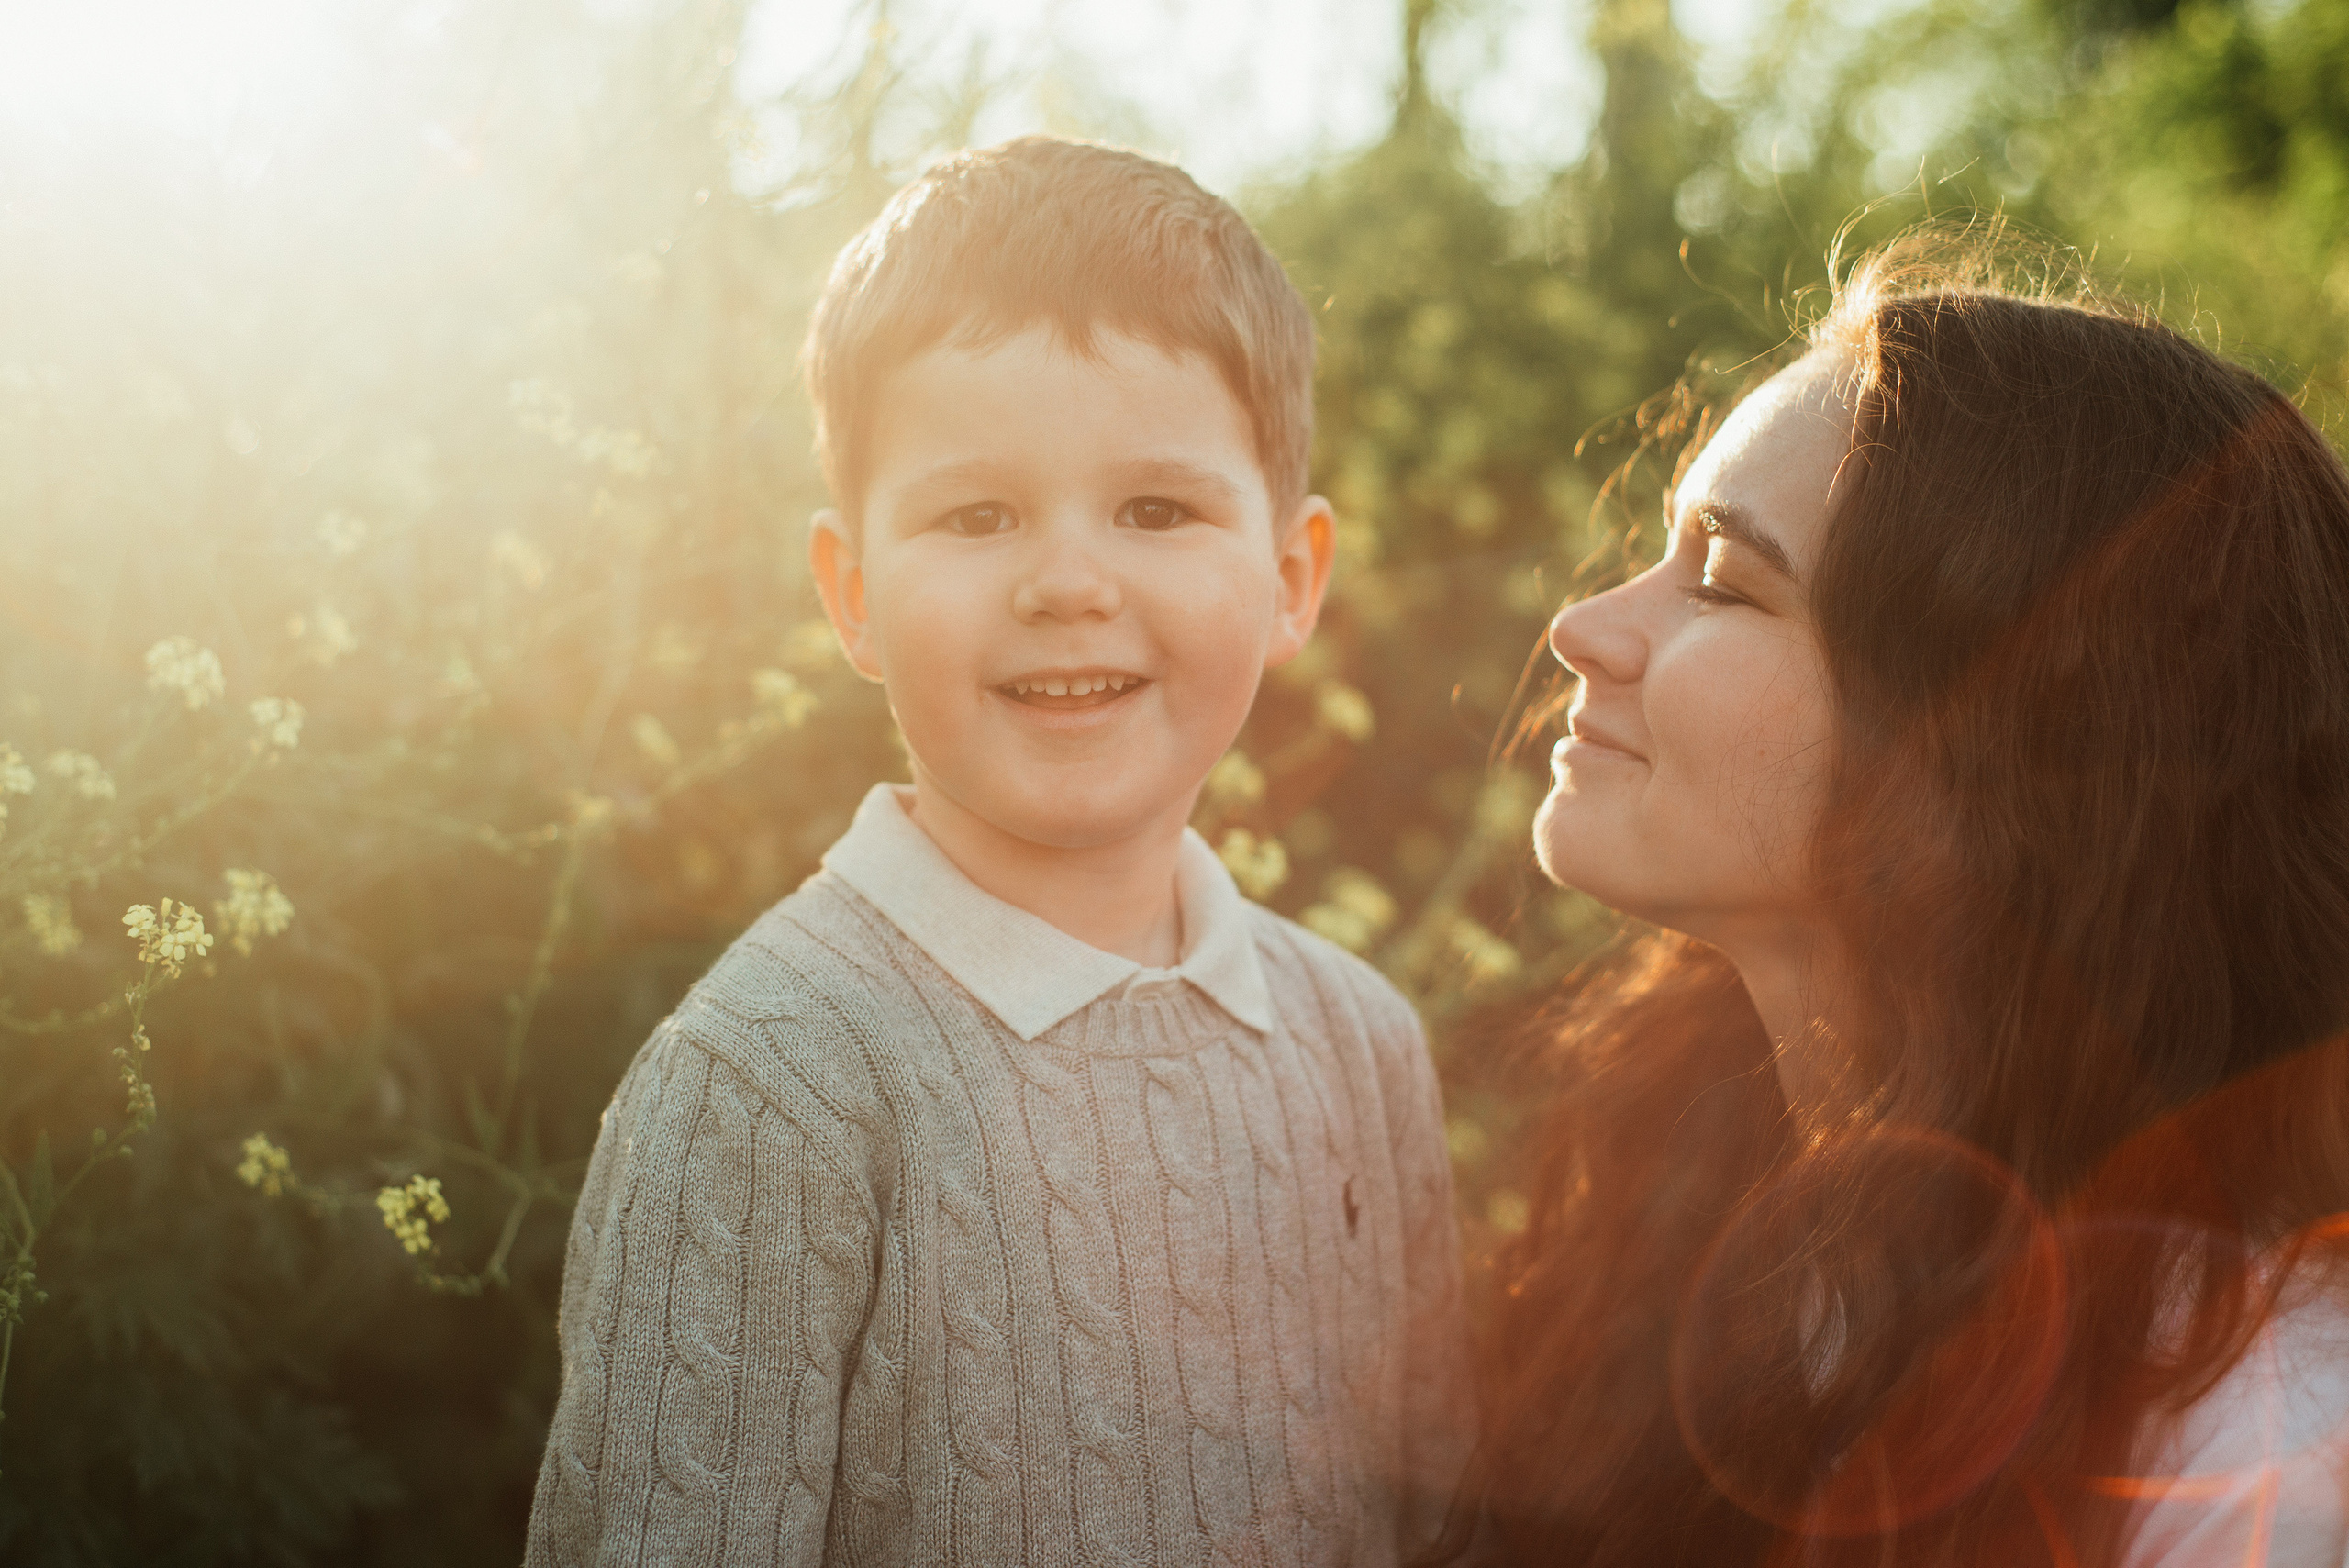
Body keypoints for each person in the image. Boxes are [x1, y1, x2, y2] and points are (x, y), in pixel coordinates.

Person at [524, 136, 1474, 1567]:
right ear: (851, 597)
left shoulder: (1361, 1045)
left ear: (1291, 580)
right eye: (978, 515)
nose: (1069, 584)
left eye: (1156, 509)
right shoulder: (771, 1082)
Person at [1448, 239, 2349, 1566]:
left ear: (1990, 739)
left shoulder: (2263, 1447)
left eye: (1723, 582)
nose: (1584, 625)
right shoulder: (1705, 1227)